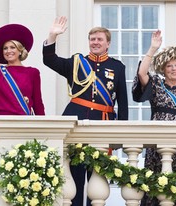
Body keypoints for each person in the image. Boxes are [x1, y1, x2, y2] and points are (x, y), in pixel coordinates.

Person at [43, 16, 128, 206]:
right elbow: (50, 60)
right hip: (76, 124)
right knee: (74, 177)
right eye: (92, 39)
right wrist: (52, 36)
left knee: (97, 177)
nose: (95, 42)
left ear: (108, 44)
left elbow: (122, 101)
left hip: (102, 124)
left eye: (99, 39)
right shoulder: (76, 63)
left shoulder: (117, 67)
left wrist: (121, 133)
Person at [132, 30, 176, 206]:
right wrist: (152, 49)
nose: (174, 69)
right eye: (169, 66)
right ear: (163, 68)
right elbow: (141, 73)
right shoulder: (156, 83)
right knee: (158, 185)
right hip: (159, 141)